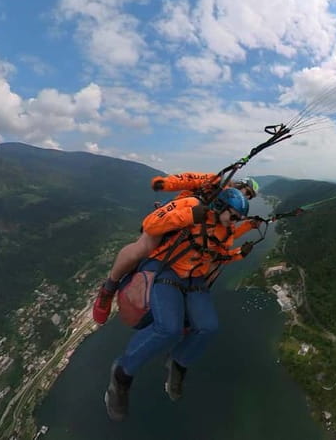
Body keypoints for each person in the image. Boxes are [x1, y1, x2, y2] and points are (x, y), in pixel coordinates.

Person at [104, 187, 257, 421]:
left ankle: (178, 362)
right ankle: (122, 374)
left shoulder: (224, 231)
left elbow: (218, 254)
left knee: (208, 327)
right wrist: (190, 215)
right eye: (234, 217)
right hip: (168, 268)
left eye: (238, 219)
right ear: (221, 207)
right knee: (168, 328)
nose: (235, 222)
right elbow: (153, 225)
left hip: (193, 277)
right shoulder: (193, 211)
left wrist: (239, 254)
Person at [92, 174, 259, 325]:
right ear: (239, 183)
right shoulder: (217, 182)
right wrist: (166, 184)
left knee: (209, 267)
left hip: (198, 234)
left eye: (249, 196)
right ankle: (109, 288)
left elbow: (223, 238)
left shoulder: (233, 207)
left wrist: (248, 227)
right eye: (246, 191)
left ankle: (184, 311)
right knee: (145, 245)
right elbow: (188, 179)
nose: (245, 196)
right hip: (181, 216)